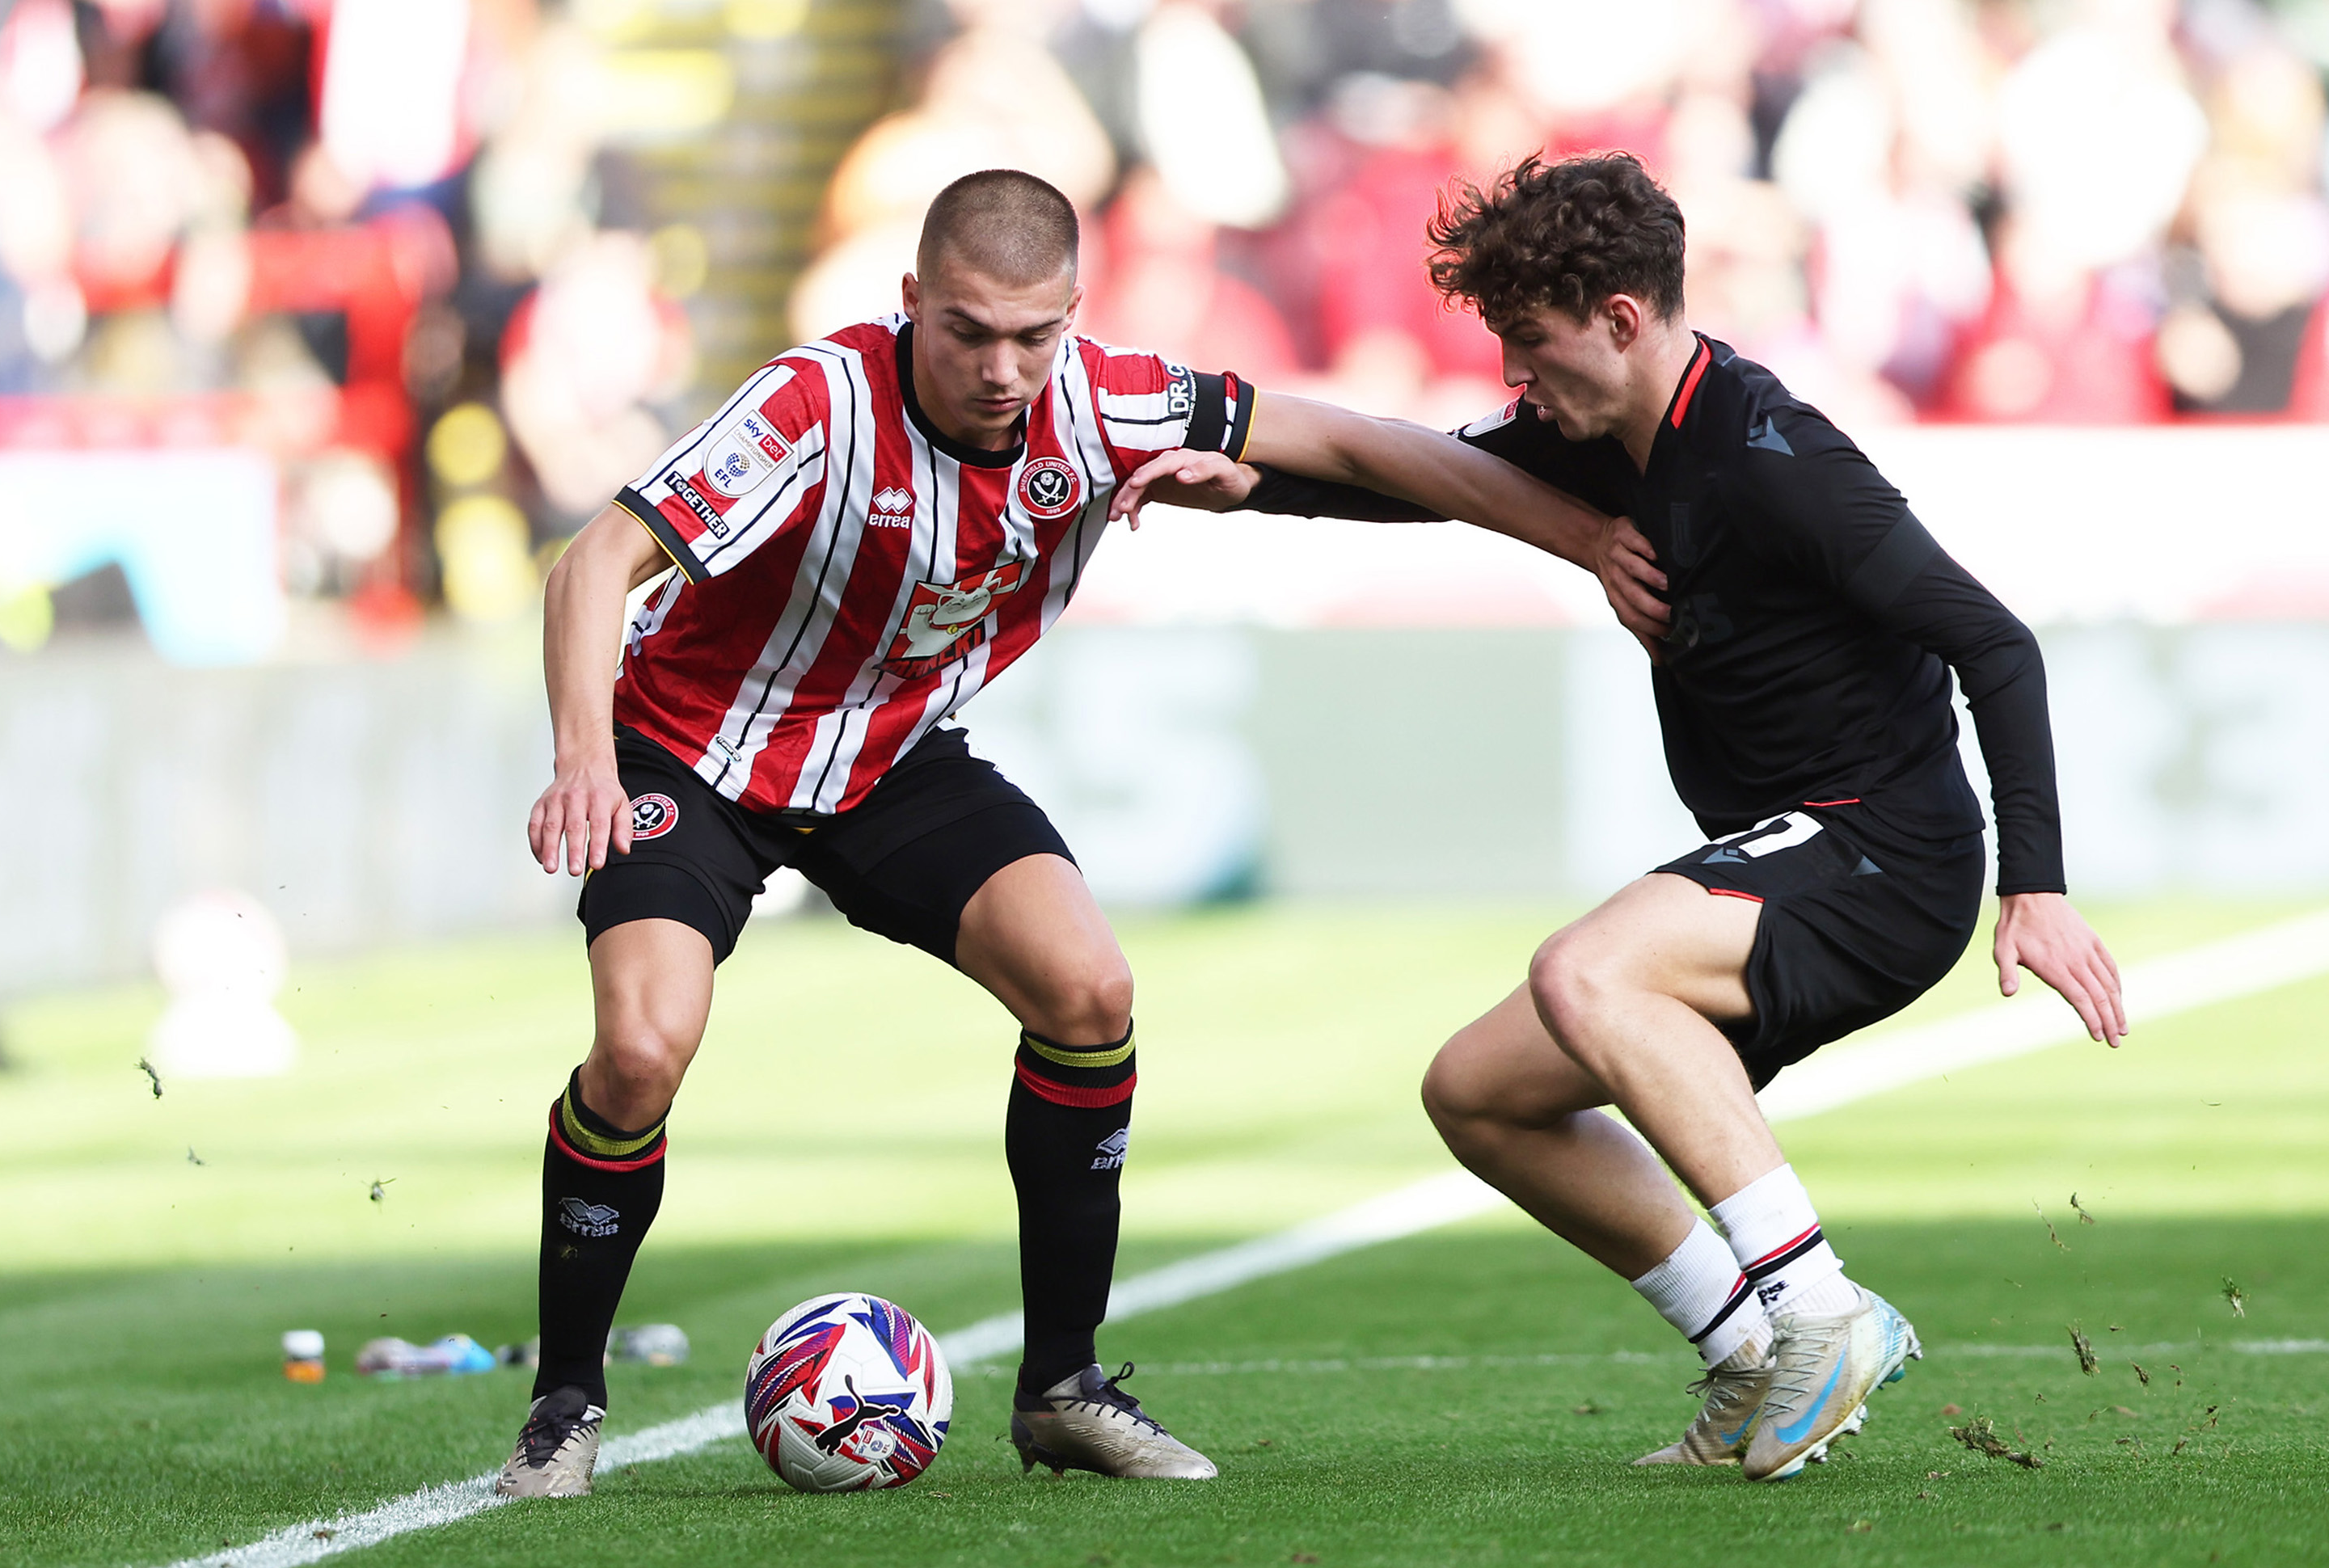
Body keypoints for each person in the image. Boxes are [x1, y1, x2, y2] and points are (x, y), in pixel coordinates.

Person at [500, 168, 1611, 1497]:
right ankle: (562, 1409)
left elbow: (1362, 452)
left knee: (1089, 989)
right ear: (911, 302)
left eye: (1034, 336)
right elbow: (591, 566)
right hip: (691, 747)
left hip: (892, 760)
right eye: (968, 330)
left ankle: (1063, 1387)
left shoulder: (1105, 400)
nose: (1002, 367)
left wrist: (1590, 540)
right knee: (639, 1048)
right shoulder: (818, 403)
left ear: (1074, 318)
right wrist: (580, 758)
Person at [1114, 154, 2127, 1482]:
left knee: (1586, 966)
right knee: (1479, 1094)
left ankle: (1819, 1309)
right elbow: (1423, 474)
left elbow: (1996, 644)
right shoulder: (1603, 437)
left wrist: (2036, 884)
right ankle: (1747, 1355)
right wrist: (1254, 485)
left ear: (1623, 319)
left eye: (1532, 349)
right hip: (1794, 852)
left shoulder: (1778, 462)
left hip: (1883, 850)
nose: (1520, 384)